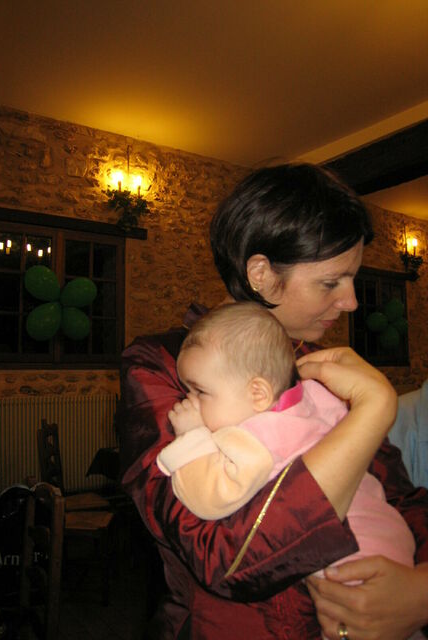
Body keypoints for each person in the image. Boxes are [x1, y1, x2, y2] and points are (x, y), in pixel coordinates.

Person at [119, 163, 428, 640]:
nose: (351, 302)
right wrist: (373, 411)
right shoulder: (165, 366)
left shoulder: (327, 371)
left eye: (352, 279)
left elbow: (401, 499)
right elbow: (220, 556)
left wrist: (422, 591)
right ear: (261, 274)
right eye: (331, 282)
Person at [156, 302, 423, 640]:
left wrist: (191, 437)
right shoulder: (314, 396)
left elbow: (212, 497)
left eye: (200, 391)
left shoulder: (255, 437)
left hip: (354, 563)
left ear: (257, 392)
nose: (190, 401)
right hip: (393, 538)